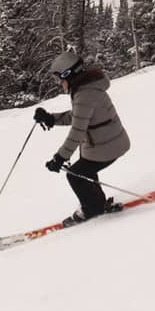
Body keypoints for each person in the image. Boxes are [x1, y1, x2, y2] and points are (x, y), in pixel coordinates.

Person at [33, 50, 131, 224]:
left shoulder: (84, 94)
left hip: (108, 145)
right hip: (108, 142)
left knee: (75, 174)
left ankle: (92, 209)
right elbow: (78, 116)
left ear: (68, 75)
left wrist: (60, 157)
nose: (59, 83)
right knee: (84, 167)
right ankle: (97, 203)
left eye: (59, 79)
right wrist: (51, 118)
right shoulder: (87, 89)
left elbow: (77, 131)